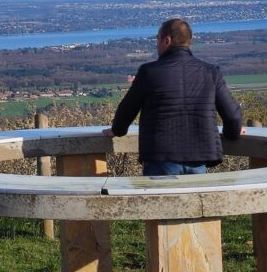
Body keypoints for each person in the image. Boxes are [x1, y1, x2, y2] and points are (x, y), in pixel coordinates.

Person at [103, 18, 243, 176]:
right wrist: (232, 134)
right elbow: (233, 117)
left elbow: (126, 110)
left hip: (160, 159)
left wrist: (117, 130)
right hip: (199, 158)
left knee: (162, 201)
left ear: (167, 40)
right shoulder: (211, 72)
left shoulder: (149, 72)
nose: (156, 44)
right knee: (195, 201)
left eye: (157, 39)